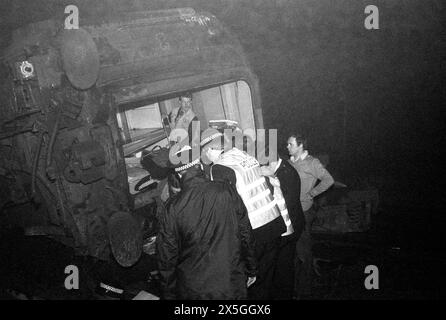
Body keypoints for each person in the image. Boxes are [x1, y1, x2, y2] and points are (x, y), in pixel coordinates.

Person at [156, 145, 257, 300]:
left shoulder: (172, 208)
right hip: (230, 282)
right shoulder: (226, 190)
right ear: (199, 165)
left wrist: (169, 294)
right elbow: (245, 233)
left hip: (194, 290)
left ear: (179, 173)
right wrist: (251, 268)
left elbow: (167, 258)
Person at [201, 130, 286, 300]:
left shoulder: (219, 168)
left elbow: (225, 207)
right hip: (274, 223)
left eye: (203, 153)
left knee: (252, 287)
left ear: (210, 150)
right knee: (268, 281)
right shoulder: (244, 156)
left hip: (255, 231)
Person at [286, 133, 334, 299]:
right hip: (290, 211)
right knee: (292, 252)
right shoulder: (289, 163)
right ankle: (294, 288)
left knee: (304, 253)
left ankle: (305, 291)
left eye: (290, 144)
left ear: (300, 146)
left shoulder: (312, 163)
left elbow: (328, 180)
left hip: (304, 212)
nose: (287, 147)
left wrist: (312, 193)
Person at [260, 151, 305, 300]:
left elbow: (287, 203)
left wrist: (272, 178)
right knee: (280, 267)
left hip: (290, 229)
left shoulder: (286, 173)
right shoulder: (280, 169)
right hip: (285, 229)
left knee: (284, 267)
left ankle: (286, 294)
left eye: (265, 165)